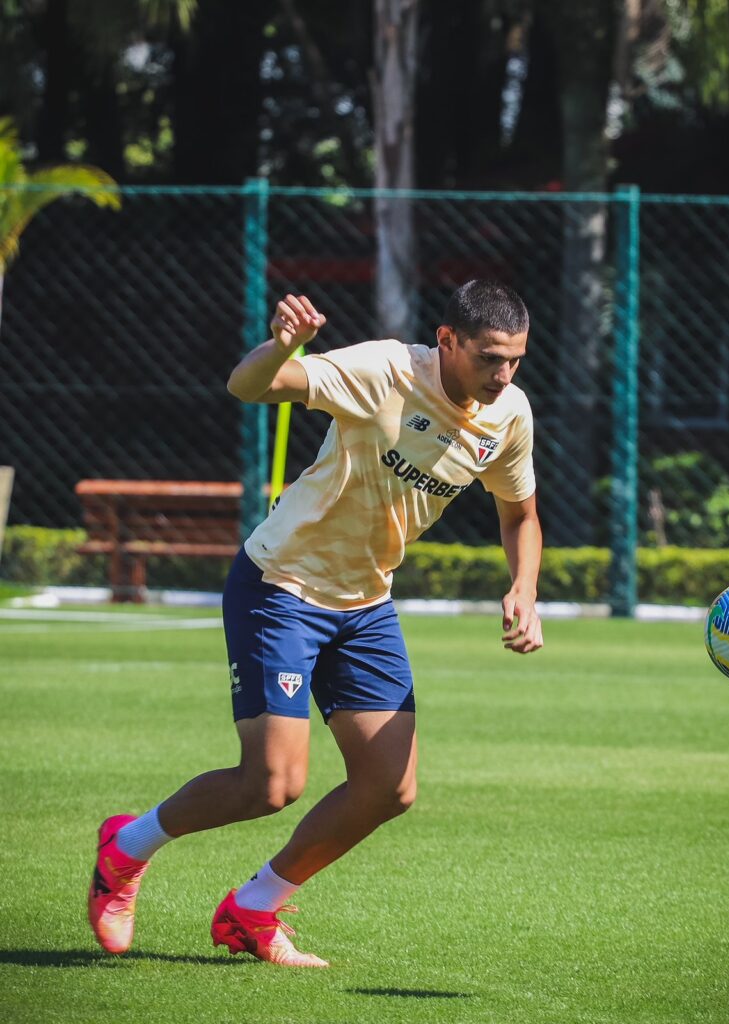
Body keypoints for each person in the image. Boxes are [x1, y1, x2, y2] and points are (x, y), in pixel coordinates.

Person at [88, 279, 543, 967]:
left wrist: (524, 588)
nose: (503, 375)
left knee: (389, 787)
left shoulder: (508, 414)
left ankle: (254, 908)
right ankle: (126, 849)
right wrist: (281, 347)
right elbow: (248, 387)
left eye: (514, 360)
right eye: (489, 358)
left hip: (364, 606)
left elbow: (520, 514)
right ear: (447, 340)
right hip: (282, 585)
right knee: (270, 784)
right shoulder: (385, 370)